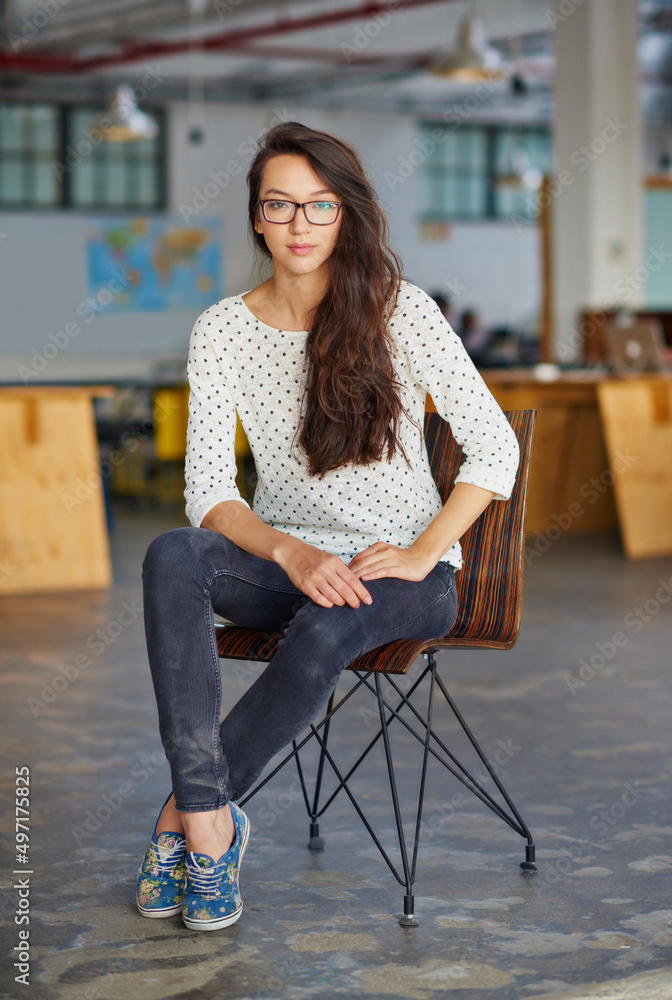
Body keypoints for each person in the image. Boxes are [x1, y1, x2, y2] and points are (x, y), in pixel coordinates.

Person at [136, 121, 520, 932]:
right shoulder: (223, 330)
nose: (301, 225)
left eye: (320, 206)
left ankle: (190, 823)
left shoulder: (399, 311)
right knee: (175, 555)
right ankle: (214, 827)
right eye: (282, 205)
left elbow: (494, 448)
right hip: (292, 561)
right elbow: (207, 493)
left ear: (345, 215)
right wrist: (292, 551)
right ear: (255, 217)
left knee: (324, 629)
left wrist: (422, 555)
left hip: (401, 575)